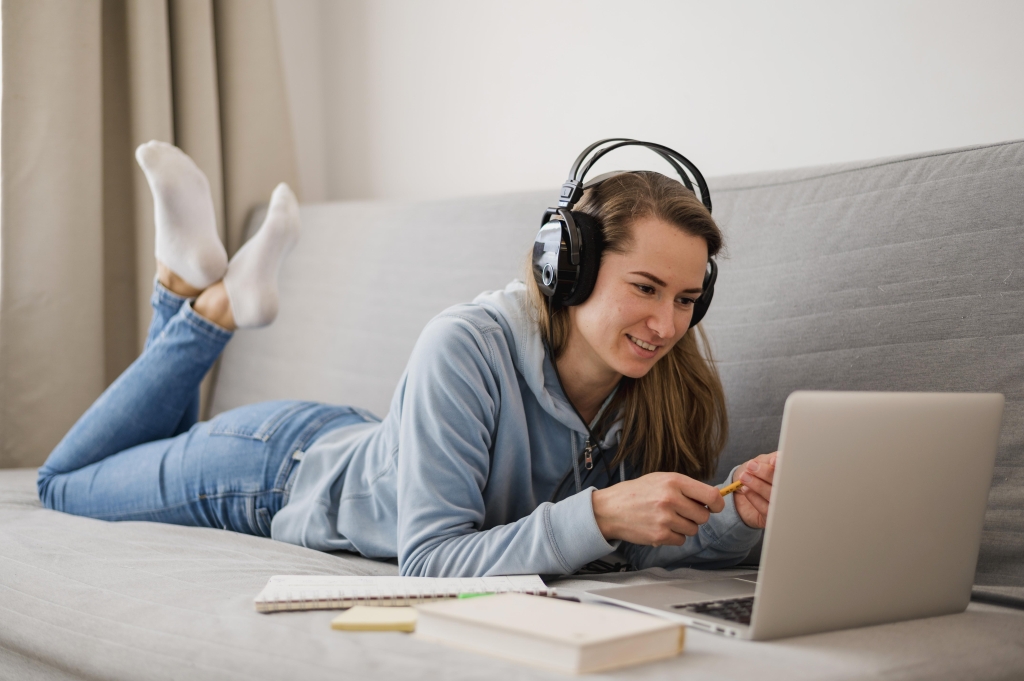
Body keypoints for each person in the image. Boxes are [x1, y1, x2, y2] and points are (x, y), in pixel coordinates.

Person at [37, 141, 777, 577]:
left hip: (365, 444)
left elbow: (632, 549)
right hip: (269, 473)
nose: (667, 323)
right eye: (645, 288)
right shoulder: (466, 344)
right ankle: (210, 308)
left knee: (135, 448)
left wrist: (732, 513)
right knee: (62, 482)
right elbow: (431, 558)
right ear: (568, 269)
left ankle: (184, 275)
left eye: (686, 299)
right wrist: (602, 511)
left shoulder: (665, 382)